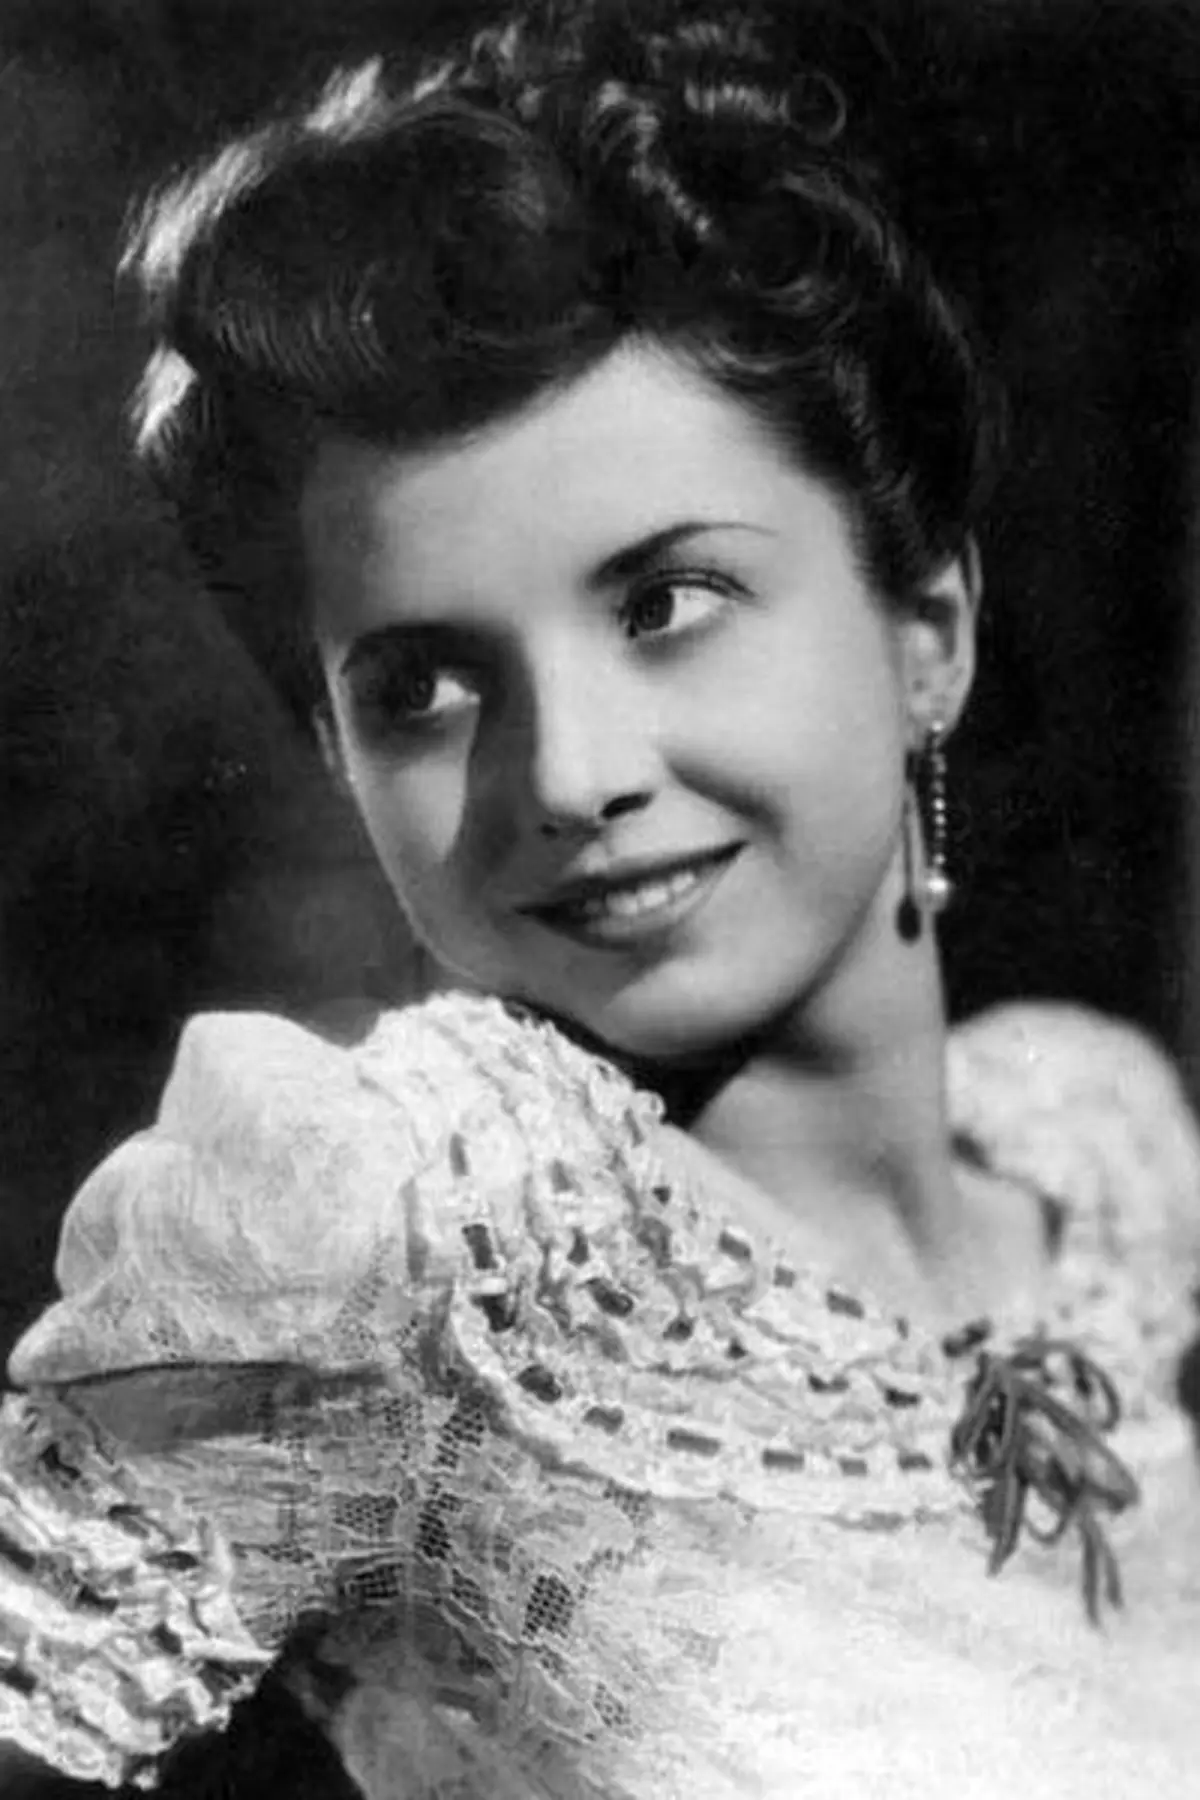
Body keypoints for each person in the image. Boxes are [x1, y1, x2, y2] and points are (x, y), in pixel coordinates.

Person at [3, 3, 1200, 1794]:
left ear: (927, 632)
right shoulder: (397, 1233)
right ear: (336, 752)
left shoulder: (1108, 1160)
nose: (566, 775)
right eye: (422, 687)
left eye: (664, 604)